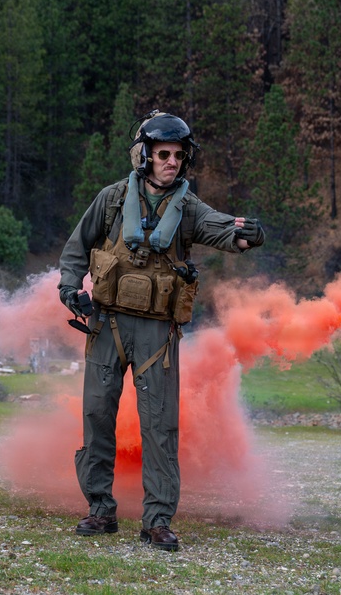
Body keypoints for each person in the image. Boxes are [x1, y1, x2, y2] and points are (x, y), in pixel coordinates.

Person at [57, 110, 265, 551]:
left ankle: (157, 519)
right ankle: (100, 509)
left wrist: (247, 235)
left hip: (157, 334)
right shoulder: (112, 199)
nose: (171, 162)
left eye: (178, 155)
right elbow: (77, 248)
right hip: (106, 324)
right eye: (163, 154)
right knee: (97, 417)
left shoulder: (189, 208)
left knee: (160, 427)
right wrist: (70, 288)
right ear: (144, 156)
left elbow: (224, 230)